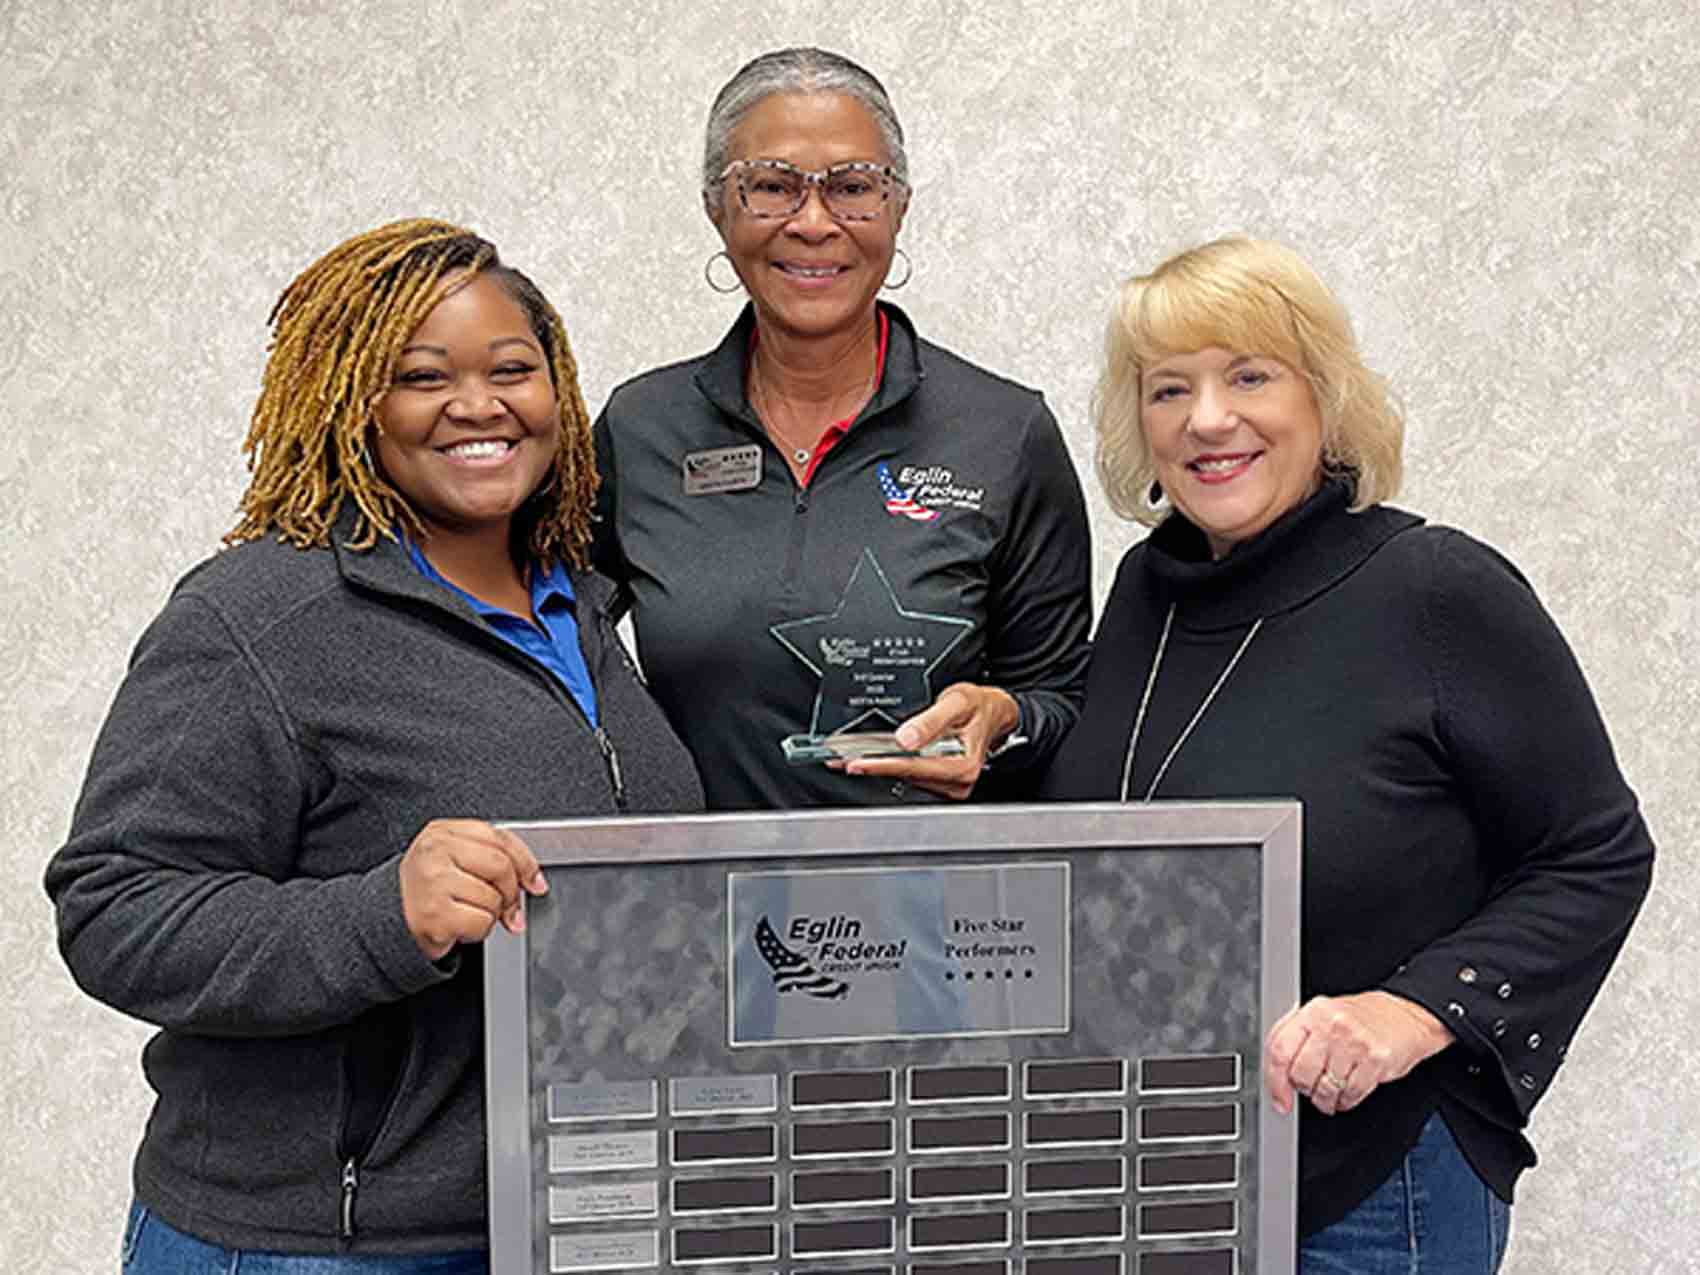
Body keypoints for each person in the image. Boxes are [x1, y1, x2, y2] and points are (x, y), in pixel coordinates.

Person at [45, 219, 703, 1271]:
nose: (478, 406)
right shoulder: (260, 616)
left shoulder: (581, 607)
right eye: (420, 375)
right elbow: (114, 909)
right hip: (320, 1245)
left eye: (512, 370)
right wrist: (382, 912)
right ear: (351, 400)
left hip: (555, 1221)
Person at [1041, 236, 1654, 1270]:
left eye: (1248, 376)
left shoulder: (1433, 589)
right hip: (1171, 1176)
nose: (1206, 419)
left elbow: (1593, 855)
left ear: (1321, 399)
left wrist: (1408, 1013)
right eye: (1167, 389)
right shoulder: (1146, 596)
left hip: (1376, 1185)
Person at [591, 47, 1092, 808]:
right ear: (716, 208)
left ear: (899, 207)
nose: (814, 222)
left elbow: (1065, 700)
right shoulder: (638, 430)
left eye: (854, 187)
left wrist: (1007, 719)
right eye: (771, 187)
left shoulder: (1007, 432)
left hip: (931, 913)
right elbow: (546, 656)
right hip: (693, 910)